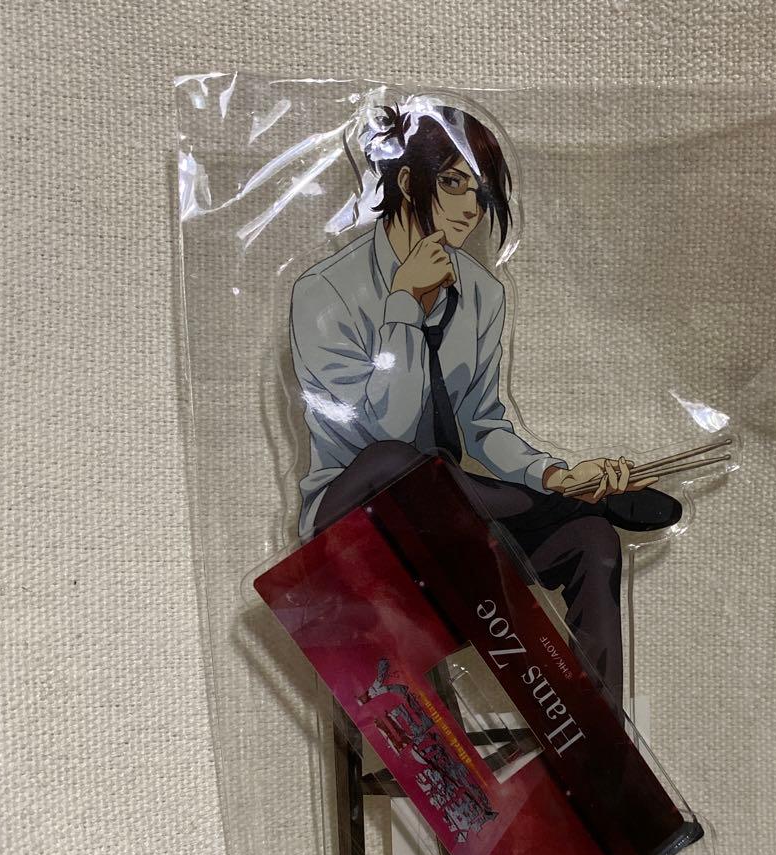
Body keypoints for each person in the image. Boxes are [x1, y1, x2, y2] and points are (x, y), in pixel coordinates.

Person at [289, 102, 681, 705]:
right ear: (405, 181)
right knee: (396, 460)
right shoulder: (324, 292)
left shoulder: (482, 293)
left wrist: (555, 474)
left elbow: (482, 424)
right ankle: (546, 503)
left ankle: (600, 739)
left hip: (454, 519)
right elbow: (378, 433)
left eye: (480, 191)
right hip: (353, 520)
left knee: (592, 536)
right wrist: (404, 306)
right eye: (453, 183)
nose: (471, 207)